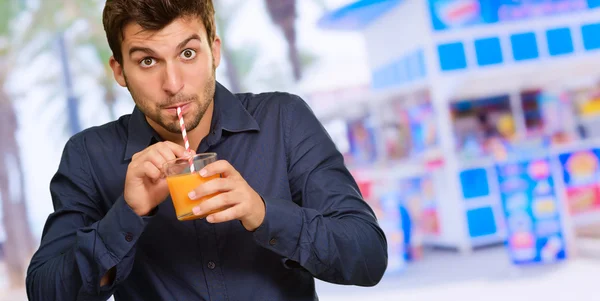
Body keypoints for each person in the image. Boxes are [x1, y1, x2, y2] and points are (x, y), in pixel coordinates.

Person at [25, 0, 388, 300]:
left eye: (187, 53)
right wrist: (128, 213)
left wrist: (263, 213)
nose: (173, 84)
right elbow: (45, 292)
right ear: (119, 71)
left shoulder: (284, 119)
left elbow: (368, 258)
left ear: (214, 50)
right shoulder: (89, 154)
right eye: (147, 61)